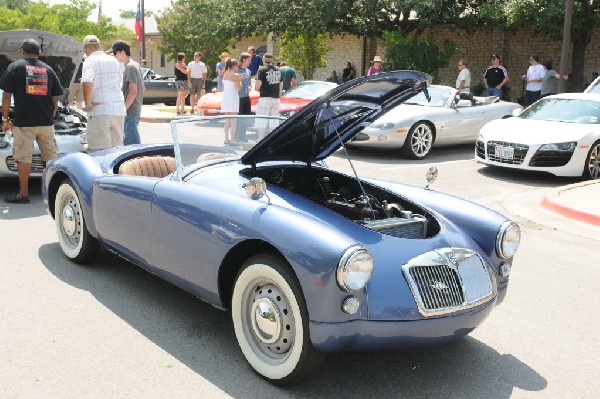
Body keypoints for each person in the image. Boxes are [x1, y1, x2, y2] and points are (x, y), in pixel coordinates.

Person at [0, 38, 63, 204]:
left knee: (23, 158)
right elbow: (56, 98)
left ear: (22, 51)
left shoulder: (15, 67)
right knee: (50, 158)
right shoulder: (49, 69)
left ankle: (23, 193)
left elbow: (6, 97)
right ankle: (53, 193)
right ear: (38, 53)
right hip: (46, 123)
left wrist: (5, 119)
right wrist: (52, 115)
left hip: (24, 123)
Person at [81, 35, 126, 152]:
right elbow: (119, 83)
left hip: (100, 111)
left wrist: (88, 103)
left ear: (87, 47)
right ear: (99, 46)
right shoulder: (114, 61)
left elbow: (87, 82)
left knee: (99, 152)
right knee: (117, 151)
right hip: (118, 110)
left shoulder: (90, 60)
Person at [112, 40, 144, 146]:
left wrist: (123, 109)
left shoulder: (130, 67)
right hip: (135, 111)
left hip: (129, 113)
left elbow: (133, 91)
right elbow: (143, 88)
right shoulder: (136, 65)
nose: (114, 56)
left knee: (132, 148)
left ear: (121, 52)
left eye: (115, 53)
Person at [254, 52, 282, 139]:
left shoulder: (262, 70)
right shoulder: (278, 70)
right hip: (276, 98)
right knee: (274, 120)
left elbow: (258, 84)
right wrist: (279, 94)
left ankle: (260, 139)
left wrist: (256, 88)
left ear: (264, 60)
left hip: (265, 97)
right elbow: (281, 83)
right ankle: (271, 140)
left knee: (262, 119)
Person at [221, 58, 242, 144]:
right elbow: (238, 88)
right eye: (237, 66)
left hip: (226, 97)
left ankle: (226, 138)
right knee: (233, 120)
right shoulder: (235, 75)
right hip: (233, 97)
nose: (238, 68)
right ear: (234, 66)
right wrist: (240, 82)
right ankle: (232, 139)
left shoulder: (225, 74)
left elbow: (223, 87)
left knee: (227, 120)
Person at [236, 52, 253, 142]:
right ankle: (236, 136)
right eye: (249, 60)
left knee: (246, 118)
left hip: (246, 96)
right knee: (238, 118)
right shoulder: (237, 70)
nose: (250, 62)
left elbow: (249, 82)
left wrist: (250, 86)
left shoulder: (248, 71)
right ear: (243, 60)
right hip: (238, 97)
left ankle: (243, 136)